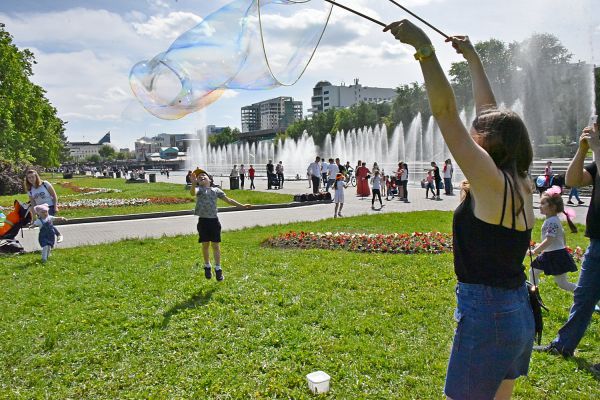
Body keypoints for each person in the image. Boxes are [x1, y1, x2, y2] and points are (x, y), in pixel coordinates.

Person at [386, 21, 535, 399]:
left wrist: (425, 50)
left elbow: (446, 112)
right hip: (517, 310)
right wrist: (473, 59)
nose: (470, 134)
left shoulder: (490, 181)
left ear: (489, 145)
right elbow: (491, 114)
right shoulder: (518, 178)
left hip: (489, 315)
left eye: (477, 133)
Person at [536, 119, 600, 356]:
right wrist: (582, 149)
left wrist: (597, 149)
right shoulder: (596, 160)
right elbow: (572, 180)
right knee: (583, 297)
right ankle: (563, 345)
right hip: (597, 242)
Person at [190, 169, 251, 281]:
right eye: (199, 177)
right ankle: (207, 265)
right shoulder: (199, 189)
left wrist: (241, 206)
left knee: (216, 246)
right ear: (198, 182)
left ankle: (218, 268)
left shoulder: (216, 190)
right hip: (203, 222)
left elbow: (229, 200)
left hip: (214, 222)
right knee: (205, 245)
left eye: (204, 175)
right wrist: (193, 183)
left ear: (210, 179)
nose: (201, 177)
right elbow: (192, 192)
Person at [528, 186, 578, 293]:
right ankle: (533, 294)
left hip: (556, 256)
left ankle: (587, 295)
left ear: (553, 207)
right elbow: (562, 237)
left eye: (543, 204)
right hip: (551, 254)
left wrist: (535, 251)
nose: (540, 206)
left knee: (563, 284)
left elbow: (549, 240)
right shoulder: (552, 220)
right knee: (533, 271)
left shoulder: (552, 222)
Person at [25, 170, 63, 243]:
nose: (31, 179)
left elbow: (54, 195)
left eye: (32, 177)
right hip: (40, 210)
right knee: (44, 226)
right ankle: (47, 244)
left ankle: (58, 235)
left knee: (47, 223)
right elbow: (33, 204)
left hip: (50, 207)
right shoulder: (30, 190)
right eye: (29, 178)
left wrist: (55, 206)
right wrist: (34, 217)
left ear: (36, 176)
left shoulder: (45, 184)